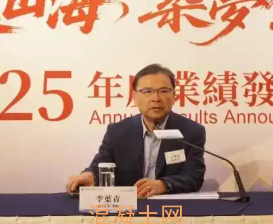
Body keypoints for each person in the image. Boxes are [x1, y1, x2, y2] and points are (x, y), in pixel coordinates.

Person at [66, 64, 206, 197]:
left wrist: (164, 185)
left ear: (174, 96)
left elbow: (194, 177)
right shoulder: (117, 132)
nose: (155, 99)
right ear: (134, 97)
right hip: (127, 207)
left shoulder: (191, 132)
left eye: (163, 91)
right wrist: (90, 175)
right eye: (147, 91)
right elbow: (101, 164)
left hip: (169, 208)